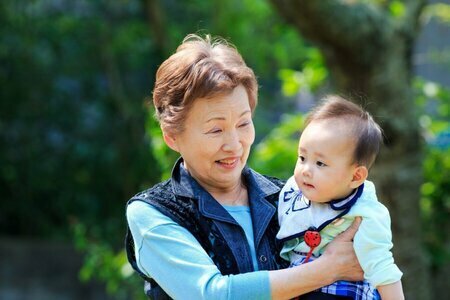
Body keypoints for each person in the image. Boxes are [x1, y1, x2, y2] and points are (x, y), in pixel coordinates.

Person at [125, 34, 364, 300]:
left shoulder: (291, 196)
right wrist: (327, 269)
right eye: (215, 130)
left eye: (243, 124)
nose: (234, 145)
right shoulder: (153, 213)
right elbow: (210, 295)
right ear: (172, 136)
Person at [277, 96, 404, 300]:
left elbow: (382, 266)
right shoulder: (294, 193)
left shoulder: (365, 214)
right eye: (302, 158)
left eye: (320, 163)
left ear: (355, 177)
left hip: (340, 293)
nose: (306, 170)